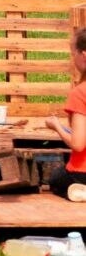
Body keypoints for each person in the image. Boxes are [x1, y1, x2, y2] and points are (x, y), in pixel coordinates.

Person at [45, 28, 86, 200]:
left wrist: (57, 127)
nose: (73, 58)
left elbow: (78, 144)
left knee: (55, 179)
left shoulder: (80, 93)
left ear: (83, 55)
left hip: (82, 172)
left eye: (73, 53)